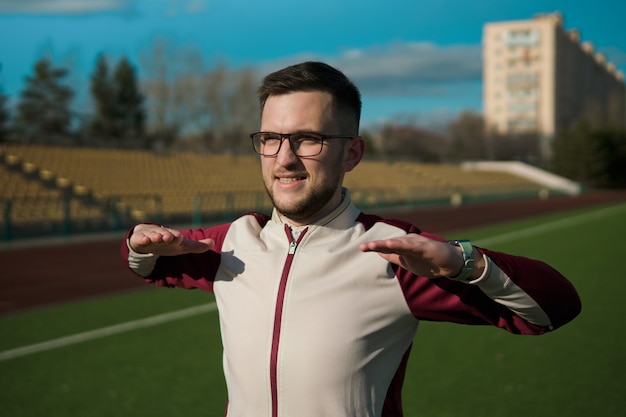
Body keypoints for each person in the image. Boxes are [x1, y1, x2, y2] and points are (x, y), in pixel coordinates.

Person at [121, 61, 581, 417]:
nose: (284, 159)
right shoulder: (234, 243)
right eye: (270, 138)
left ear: (352, 153)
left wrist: (466, 263)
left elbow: (551, 310)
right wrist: (138, 244)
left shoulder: (393, 253)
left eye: (307, 140)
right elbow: (154, 265)